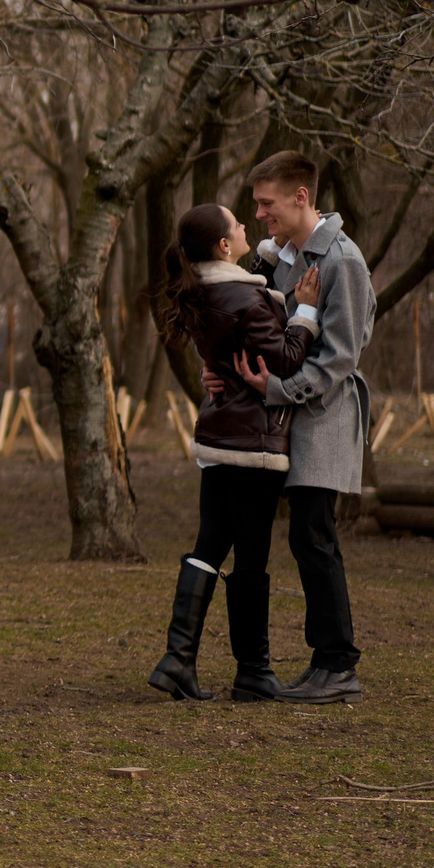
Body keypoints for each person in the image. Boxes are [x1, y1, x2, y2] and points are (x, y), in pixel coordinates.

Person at [150, 203, 320, 702]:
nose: (248, 226)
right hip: (254, 443)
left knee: (209, 544)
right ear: (224, 246)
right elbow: (285, 360)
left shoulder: (206, 291)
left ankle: (177, 659)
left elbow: (232, 340)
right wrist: (305, 311)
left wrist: (266, 262)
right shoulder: (247, 300)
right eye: (238, 225)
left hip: (219, 437)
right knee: (251, 554)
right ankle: (253, 670)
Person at [247, 150, 374, 705]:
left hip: (322, 417)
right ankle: (326, 660)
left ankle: (339, 663)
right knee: (305, 537)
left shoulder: (342, 260)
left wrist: (279, 392)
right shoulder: (286, 258)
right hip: (295, 420)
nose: (259, 215)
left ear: (301, 196)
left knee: (315, 536)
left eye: (266, 204)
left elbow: (343, 353)